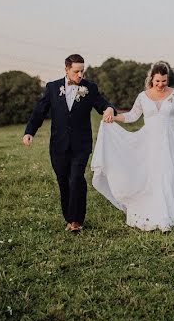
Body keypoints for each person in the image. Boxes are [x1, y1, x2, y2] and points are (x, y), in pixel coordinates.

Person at [91, 61, 174, 232]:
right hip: (150, 142)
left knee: (167, 175)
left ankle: (166, 217)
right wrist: (114, 118)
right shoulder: (143, 96)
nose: (161, 85)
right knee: (154, 176)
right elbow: (132, 116)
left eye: (164, 81)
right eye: (157, 81)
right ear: (151, 79)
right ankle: (157, 211)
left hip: (170, 141)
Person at [23, 54, 116, 234]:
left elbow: (102, 104)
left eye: (82, 71)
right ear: (66, 69)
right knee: (63, 181)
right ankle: (69, 217)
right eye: (76, 71)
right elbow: (40, 111)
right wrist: (29, 132)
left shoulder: (90, 88)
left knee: (76, 179)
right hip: (58, 145)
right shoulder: (52, 87)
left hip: (81, 145)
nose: (80, 74)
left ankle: (76, 221)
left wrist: (110, 108)